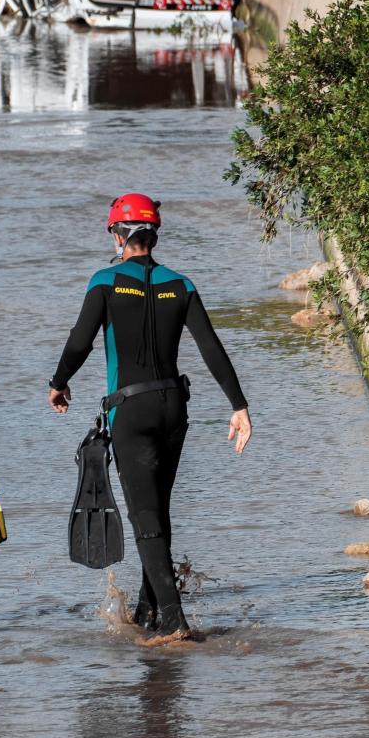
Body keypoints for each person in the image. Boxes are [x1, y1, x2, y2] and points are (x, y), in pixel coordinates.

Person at [48, 193, 254, 644]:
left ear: (117, 235)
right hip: (174, 409)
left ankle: (175, 620)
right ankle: (147, 610)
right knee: (157, 509)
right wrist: (238, 406)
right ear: (153, 233)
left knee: (145, 516)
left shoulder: (105, 281)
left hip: (131, 410)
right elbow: (211, 347)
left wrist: (59, 381)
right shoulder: (180, 284)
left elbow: (80, 340)